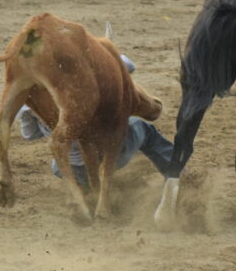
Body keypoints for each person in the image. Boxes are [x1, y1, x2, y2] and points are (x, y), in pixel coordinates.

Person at [18, 55, 173, 187]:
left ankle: (85, 190)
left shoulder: (28, 105)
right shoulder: (84, 83)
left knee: (58, 162)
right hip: (109, 160)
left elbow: (30, 135)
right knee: (142, 127)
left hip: (70, 170)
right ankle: (175, 172)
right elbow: (128, 66)